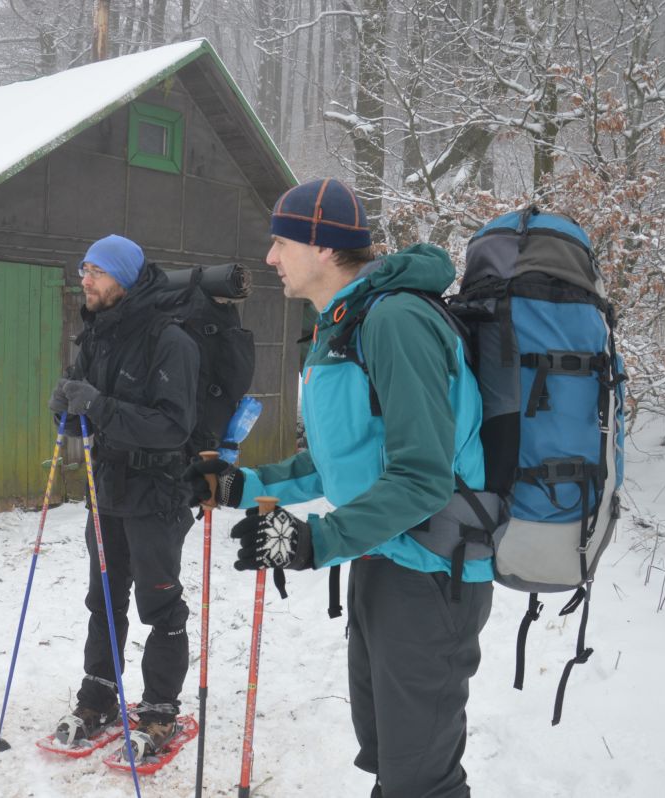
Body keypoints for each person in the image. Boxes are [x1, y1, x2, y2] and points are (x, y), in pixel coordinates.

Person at [183, 179, 494, 798]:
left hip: (432, 574)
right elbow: (338, 464)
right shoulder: (341, 326)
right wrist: (238, 486)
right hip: (383, 562)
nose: (270, 257)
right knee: (389, 758)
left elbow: (422, 476)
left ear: (324, 247)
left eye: (281, 241)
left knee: (421, 781)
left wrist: (314, 541)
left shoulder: (396, 321)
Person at [47, 234, 199, 758]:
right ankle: (100, 695)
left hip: (157, 495)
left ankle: (159, 710)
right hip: (105, 491)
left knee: (160, 606)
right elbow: (83, 406)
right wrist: (66, 410)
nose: (84, 279)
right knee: (103, 602)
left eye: (95, 271)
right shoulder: (95, 336)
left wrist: (101, 406)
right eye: (82, 268)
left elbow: (173, 427)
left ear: (124, 279)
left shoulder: (170, 341)